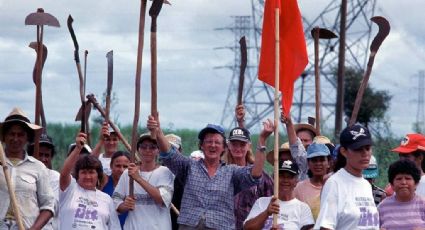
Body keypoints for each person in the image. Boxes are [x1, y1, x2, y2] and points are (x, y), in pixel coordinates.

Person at [150, 114, 273, 230]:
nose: (212, 145)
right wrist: (159, 131)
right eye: (208, 141)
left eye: (217, 142)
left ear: (224, 148)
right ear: (201, 146)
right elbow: (169, 154)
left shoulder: (232, 172)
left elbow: (255, 174)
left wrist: (262, 140)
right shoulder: (188, 166)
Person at [314, 124, 379, 230]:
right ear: (344, 151)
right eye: (358, 149)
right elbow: (326, 226)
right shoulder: (335, 183)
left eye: (367, 148)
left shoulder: (366, 185)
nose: (365, 153)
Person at [0, 107, 55, 230]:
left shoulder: (38, 167)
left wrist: (34, 229)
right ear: (4, 137)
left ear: (27, 138)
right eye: (11, 134)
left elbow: (49, 205)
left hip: (26, 227)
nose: (15, 139)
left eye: (20, 135)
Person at [113, 133, 175, 230]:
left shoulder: (165, 172)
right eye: (143, 147)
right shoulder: (127, 173)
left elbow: (162, 199)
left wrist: (138, 178)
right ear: (138, 150)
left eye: (152, 147)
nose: (147, 150)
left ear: (158, 150)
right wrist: (125, 205)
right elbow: (115, 200)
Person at [59, 132, 120, 230]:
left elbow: (114, 227)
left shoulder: (107, 199)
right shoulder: (70, 190)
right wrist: (78, 148)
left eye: (91, 172)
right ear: (77, 174)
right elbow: (64, 174)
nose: (87, 176)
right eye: (83, 172)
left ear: (98, 175)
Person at [222, 127, 274, 230]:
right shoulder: (220, 172)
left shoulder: (261, 175)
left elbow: (271, 202)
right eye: (234, 144)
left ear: (249, 146)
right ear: (228, 145)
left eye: (242, 144)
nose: (238, 148)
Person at [244, 159, 314, 230]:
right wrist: (266, 213)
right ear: (274, 178)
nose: (285, 180)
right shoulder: (261, 202)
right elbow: (247, 228)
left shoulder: (303, 208)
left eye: (289, 177)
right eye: (281, 176)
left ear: (296, 181)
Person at [378, 159, 425, 229]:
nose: (403, 182)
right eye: (399, 179)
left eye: (408, 178)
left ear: (416, 183)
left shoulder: (423, 204)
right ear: (392, 185)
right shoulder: (382, 207)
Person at [28, 133, 60, 229]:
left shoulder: (55, 177)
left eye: (47, 155)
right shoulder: (22, 173)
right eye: (39, 154)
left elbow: (53, 206)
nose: (43, 159)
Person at [294, 142, 331, 220]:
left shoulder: (336, 186)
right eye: (314, 160)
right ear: (308, 163)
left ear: (329, 163)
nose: (318, 164)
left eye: (322, 160)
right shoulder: (299, 188)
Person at [100, 151, 130, 229]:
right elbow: (90, 163)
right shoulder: (104, 180)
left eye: (125, 166)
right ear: (111, 166)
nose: (121, 170)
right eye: (118, 166)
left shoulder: (134, 185)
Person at [164, 133, 184, 230]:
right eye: (168, 148)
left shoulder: (186, 174)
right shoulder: (155, 172)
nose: (170, 153)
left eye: (174, 149)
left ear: (180, 151)